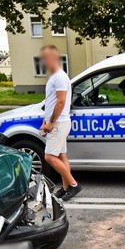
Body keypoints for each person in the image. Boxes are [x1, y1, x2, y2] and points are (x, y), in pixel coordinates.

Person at [39, 45, 81, 201]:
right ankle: (65, 188)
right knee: (62, 155)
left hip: (58, 123)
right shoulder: (54, 76)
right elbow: (51, 102)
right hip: (56, 122)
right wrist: (45, 121)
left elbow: (61, 101)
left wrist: (50, 123)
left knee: (49, 157)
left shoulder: (60, 77)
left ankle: (74, 185)